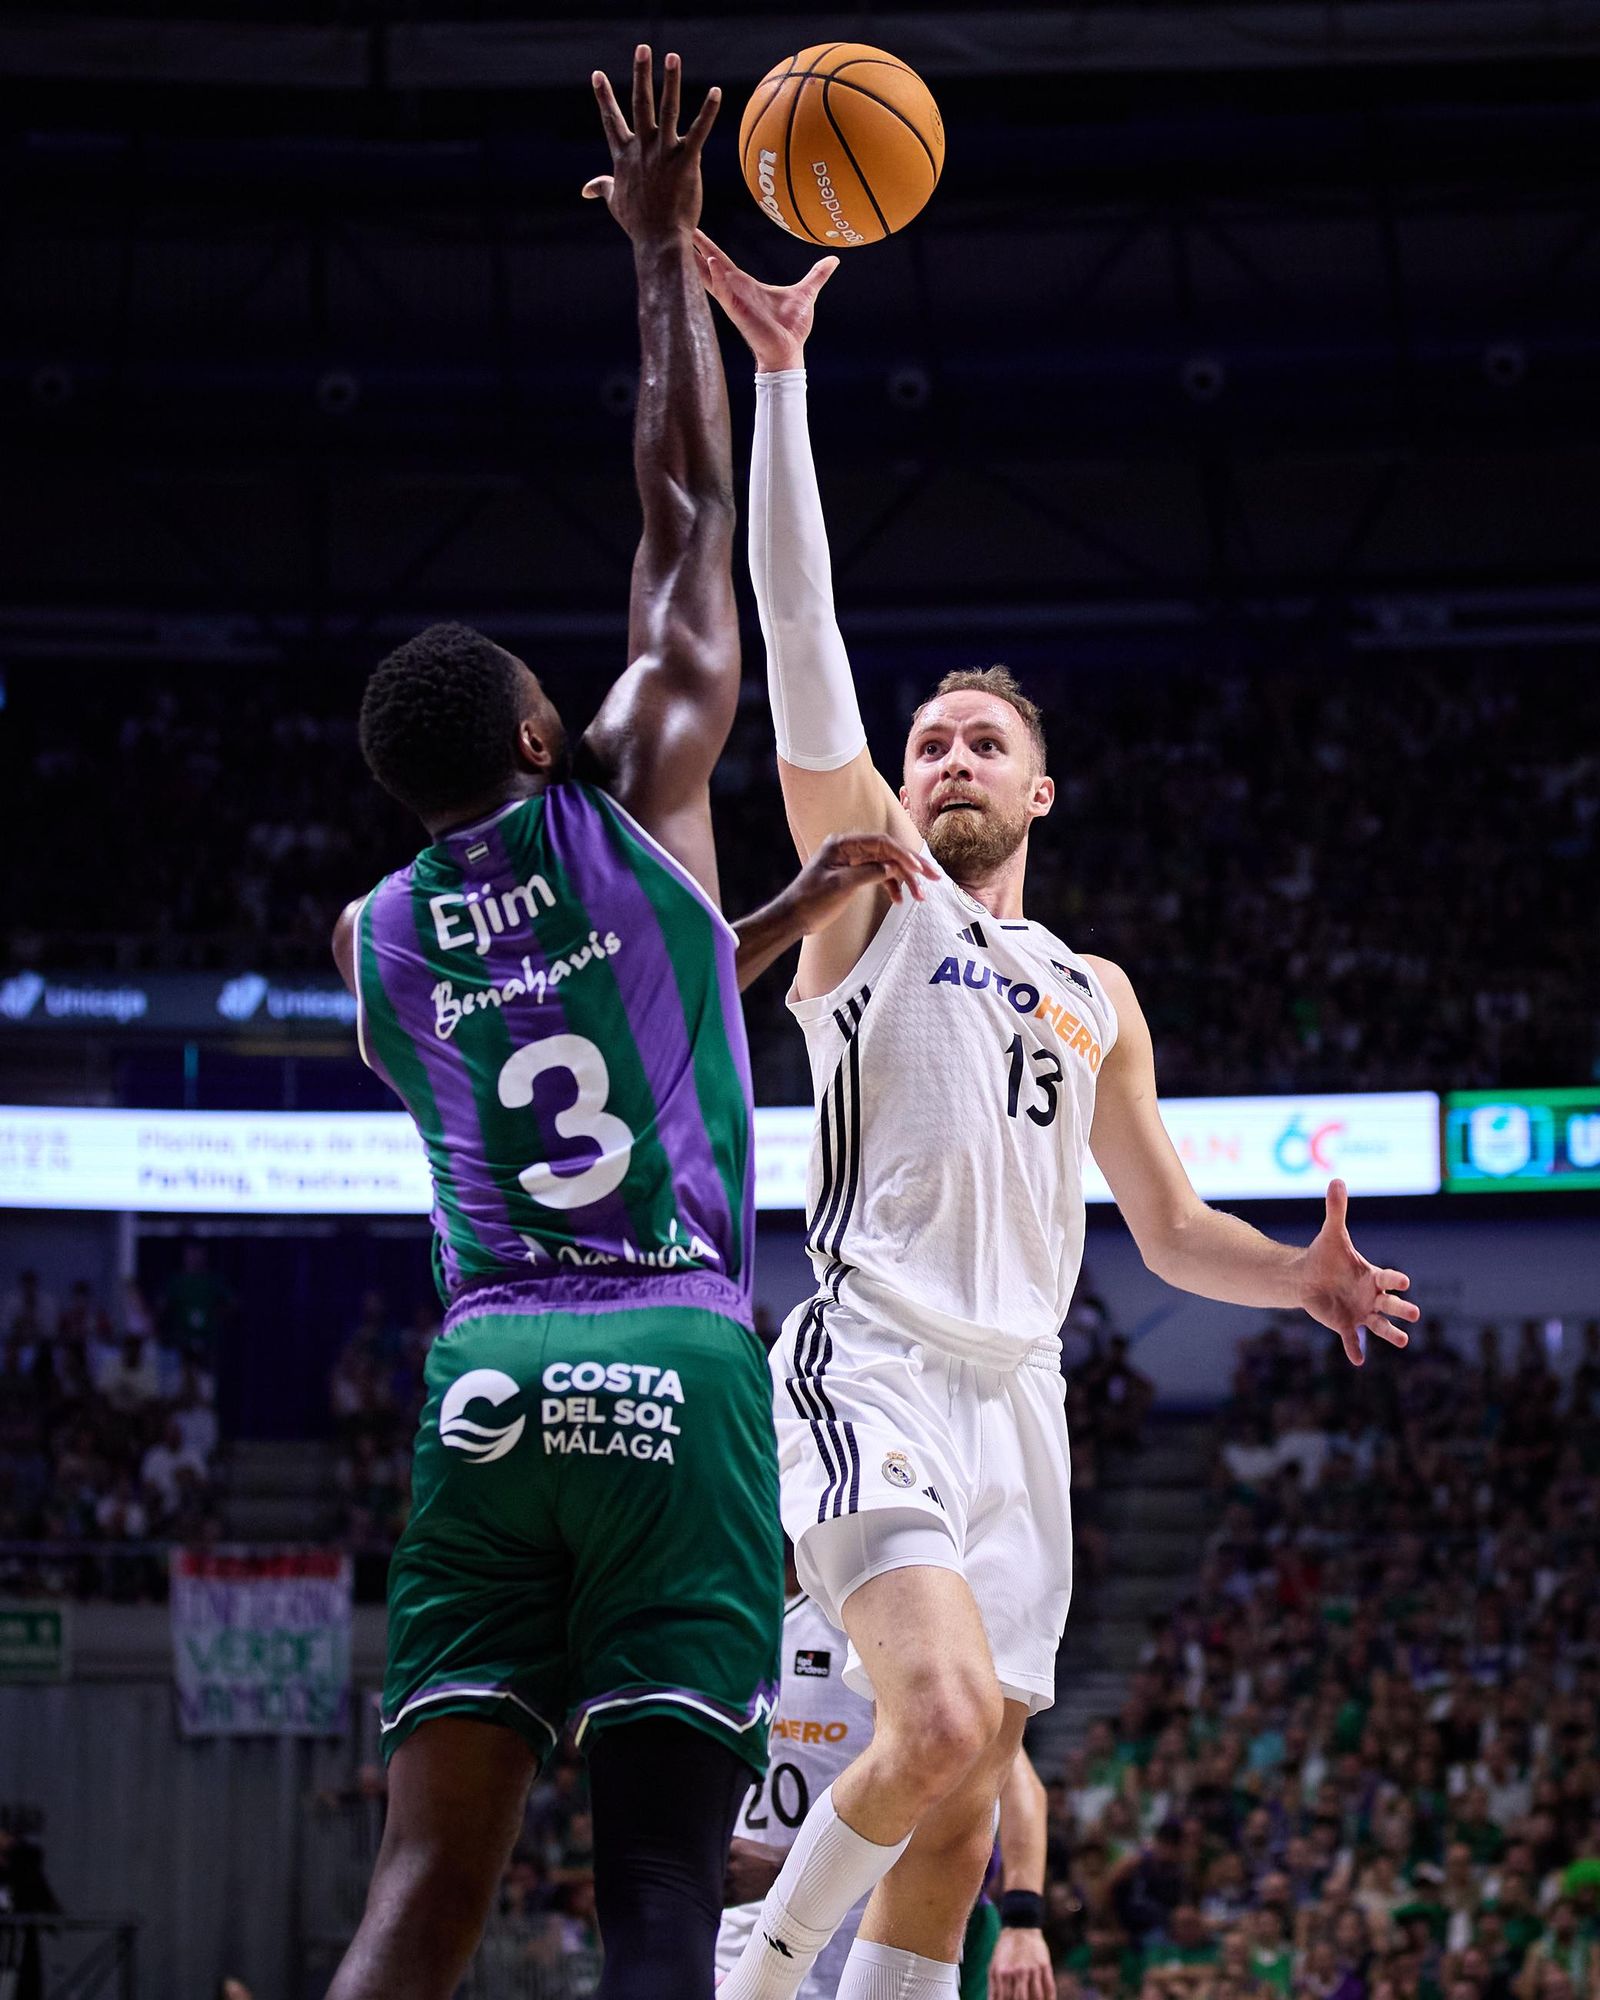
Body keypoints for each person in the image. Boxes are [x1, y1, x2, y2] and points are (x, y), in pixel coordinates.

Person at [698, 231, 1421, 2000]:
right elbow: (801, 634)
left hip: (1025, 1398)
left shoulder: (1095, 986)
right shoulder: (869, 897)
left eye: (977, 745)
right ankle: (750, 1965)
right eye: (928, 738)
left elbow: (1170, 1231)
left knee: (953, 1817)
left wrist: (1301, 1284)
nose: (943, 759)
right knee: (933, 1713)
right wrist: (780, 384)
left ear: (1039, 785)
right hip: (872, 1357)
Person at [323, 50, 931, 2000]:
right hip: (675, 1345)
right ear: (532, 731)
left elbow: (576, 1024)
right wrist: (666, 261)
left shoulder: (371, 943)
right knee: (667, 1890)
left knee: (419, 1895)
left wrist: (768, 918)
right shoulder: (627, 789)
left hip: (485, 1380)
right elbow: (678, 518)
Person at [717, 1550, 1052, 2000]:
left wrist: (1023, 1920)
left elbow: (1016, 1786)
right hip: (740, 1933)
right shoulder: (750, 1634)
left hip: (876, 1939)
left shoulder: (914, 1643)